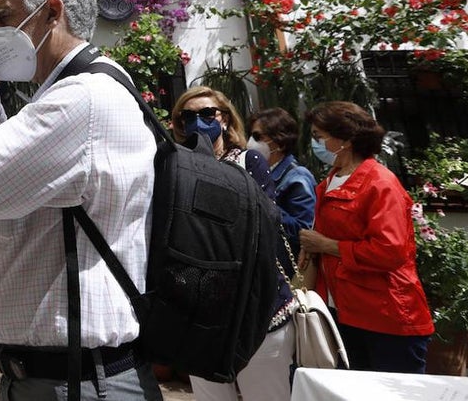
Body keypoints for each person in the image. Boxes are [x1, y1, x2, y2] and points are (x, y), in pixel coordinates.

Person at [0, 0, 161, 401]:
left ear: (51, 12)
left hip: (78, 383)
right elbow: (1, 176)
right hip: (61, 376)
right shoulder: (84, 90)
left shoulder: (82, 100)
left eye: (2, 17)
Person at [172, 88, 295, 401]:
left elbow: (265, 222)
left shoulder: (248, 161)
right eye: (187, 116)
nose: (197, 121)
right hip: (202, 314)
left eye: (206, 113)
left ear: (224, 118)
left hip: (257, 311)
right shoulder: (175, 166)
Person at [298, 101, 434, 373]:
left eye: (319, 136)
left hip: (386, 314)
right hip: (347, 310)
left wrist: (326, 245)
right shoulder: (332, 180)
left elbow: (390, 251)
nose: (315, 143)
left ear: (345, 139)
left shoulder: (379, 182)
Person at [246, 108, 317, 277]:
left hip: (288, 272)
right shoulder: (262, 173)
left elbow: (304, 233)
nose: (250, 142)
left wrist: (263, 202)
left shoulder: (297, 178)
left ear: (281, 142)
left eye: (258, 137)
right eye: (250, 135)